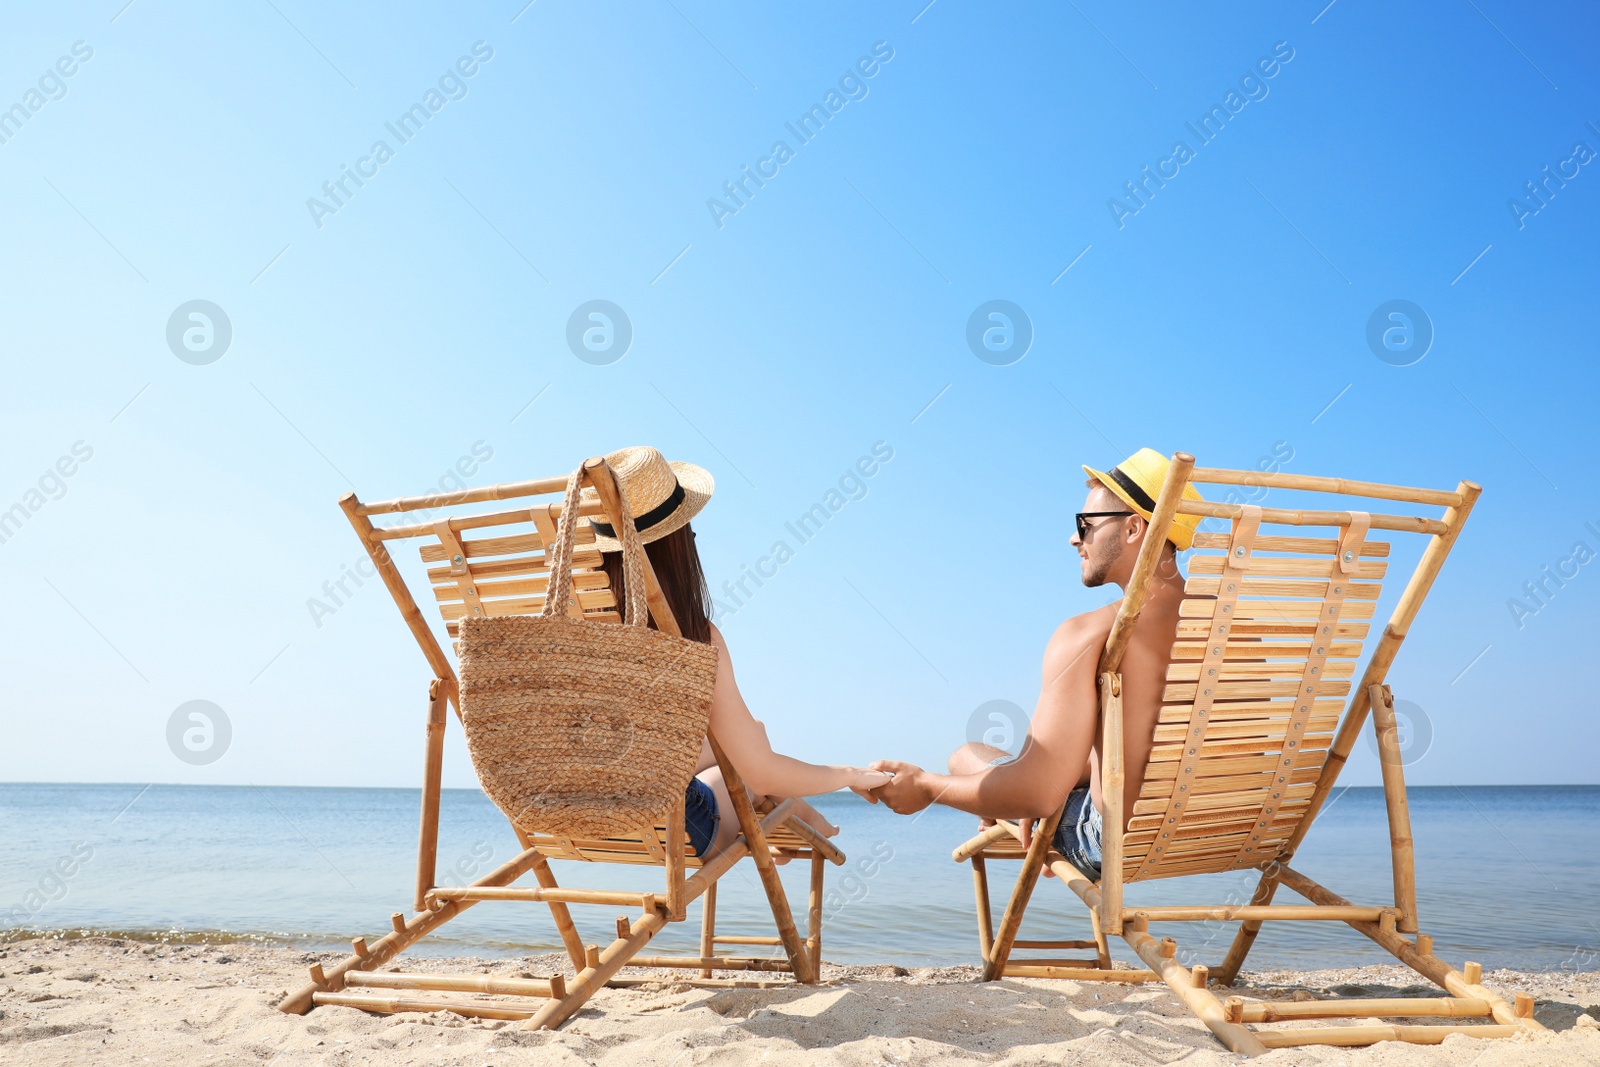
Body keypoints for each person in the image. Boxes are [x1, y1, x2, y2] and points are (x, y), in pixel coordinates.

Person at [865, 448, 1204, 880]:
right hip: (1227, 829)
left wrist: (927, 788)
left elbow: (1039, 794)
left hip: (1124, 841)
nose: (1074, 539)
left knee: (966, 756)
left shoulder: (1089, 634)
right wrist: (1061, 778)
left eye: (1086, 525)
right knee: (1029, 773)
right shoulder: (1242, 630)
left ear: (1134, 527)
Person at [591, 446, 889, 859]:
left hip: (572, 810)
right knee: (750, 760)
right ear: (678, 548)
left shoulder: (576, 630)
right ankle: (790, 814)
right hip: (673, 825)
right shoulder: (695, 637)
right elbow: (758, 769)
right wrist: (848, 774)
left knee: (735, 747)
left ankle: (793, 812)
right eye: (689, 533)